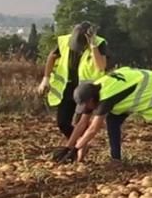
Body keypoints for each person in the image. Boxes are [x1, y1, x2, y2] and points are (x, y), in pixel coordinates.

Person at [69, 67, 152, 163]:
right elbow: (82, 123)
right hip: (130, 94)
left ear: (91, 100)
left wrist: (76, 147)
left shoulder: (106, 98)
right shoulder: (92, 91)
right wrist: (68, 147)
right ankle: (116, 160)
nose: (85, 109)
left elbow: (93, 129)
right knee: (113, 122)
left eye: (85, 105)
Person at [37, 22, 108, 159]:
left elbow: (101, 66)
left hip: (86, 90)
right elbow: (51, 57)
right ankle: (77, 146)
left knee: (80, 122)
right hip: (67, 87)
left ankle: (78, 153)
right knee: (62, 122)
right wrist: (45, 78)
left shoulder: (100, 43)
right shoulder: (64, 41)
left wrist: (92, 45)